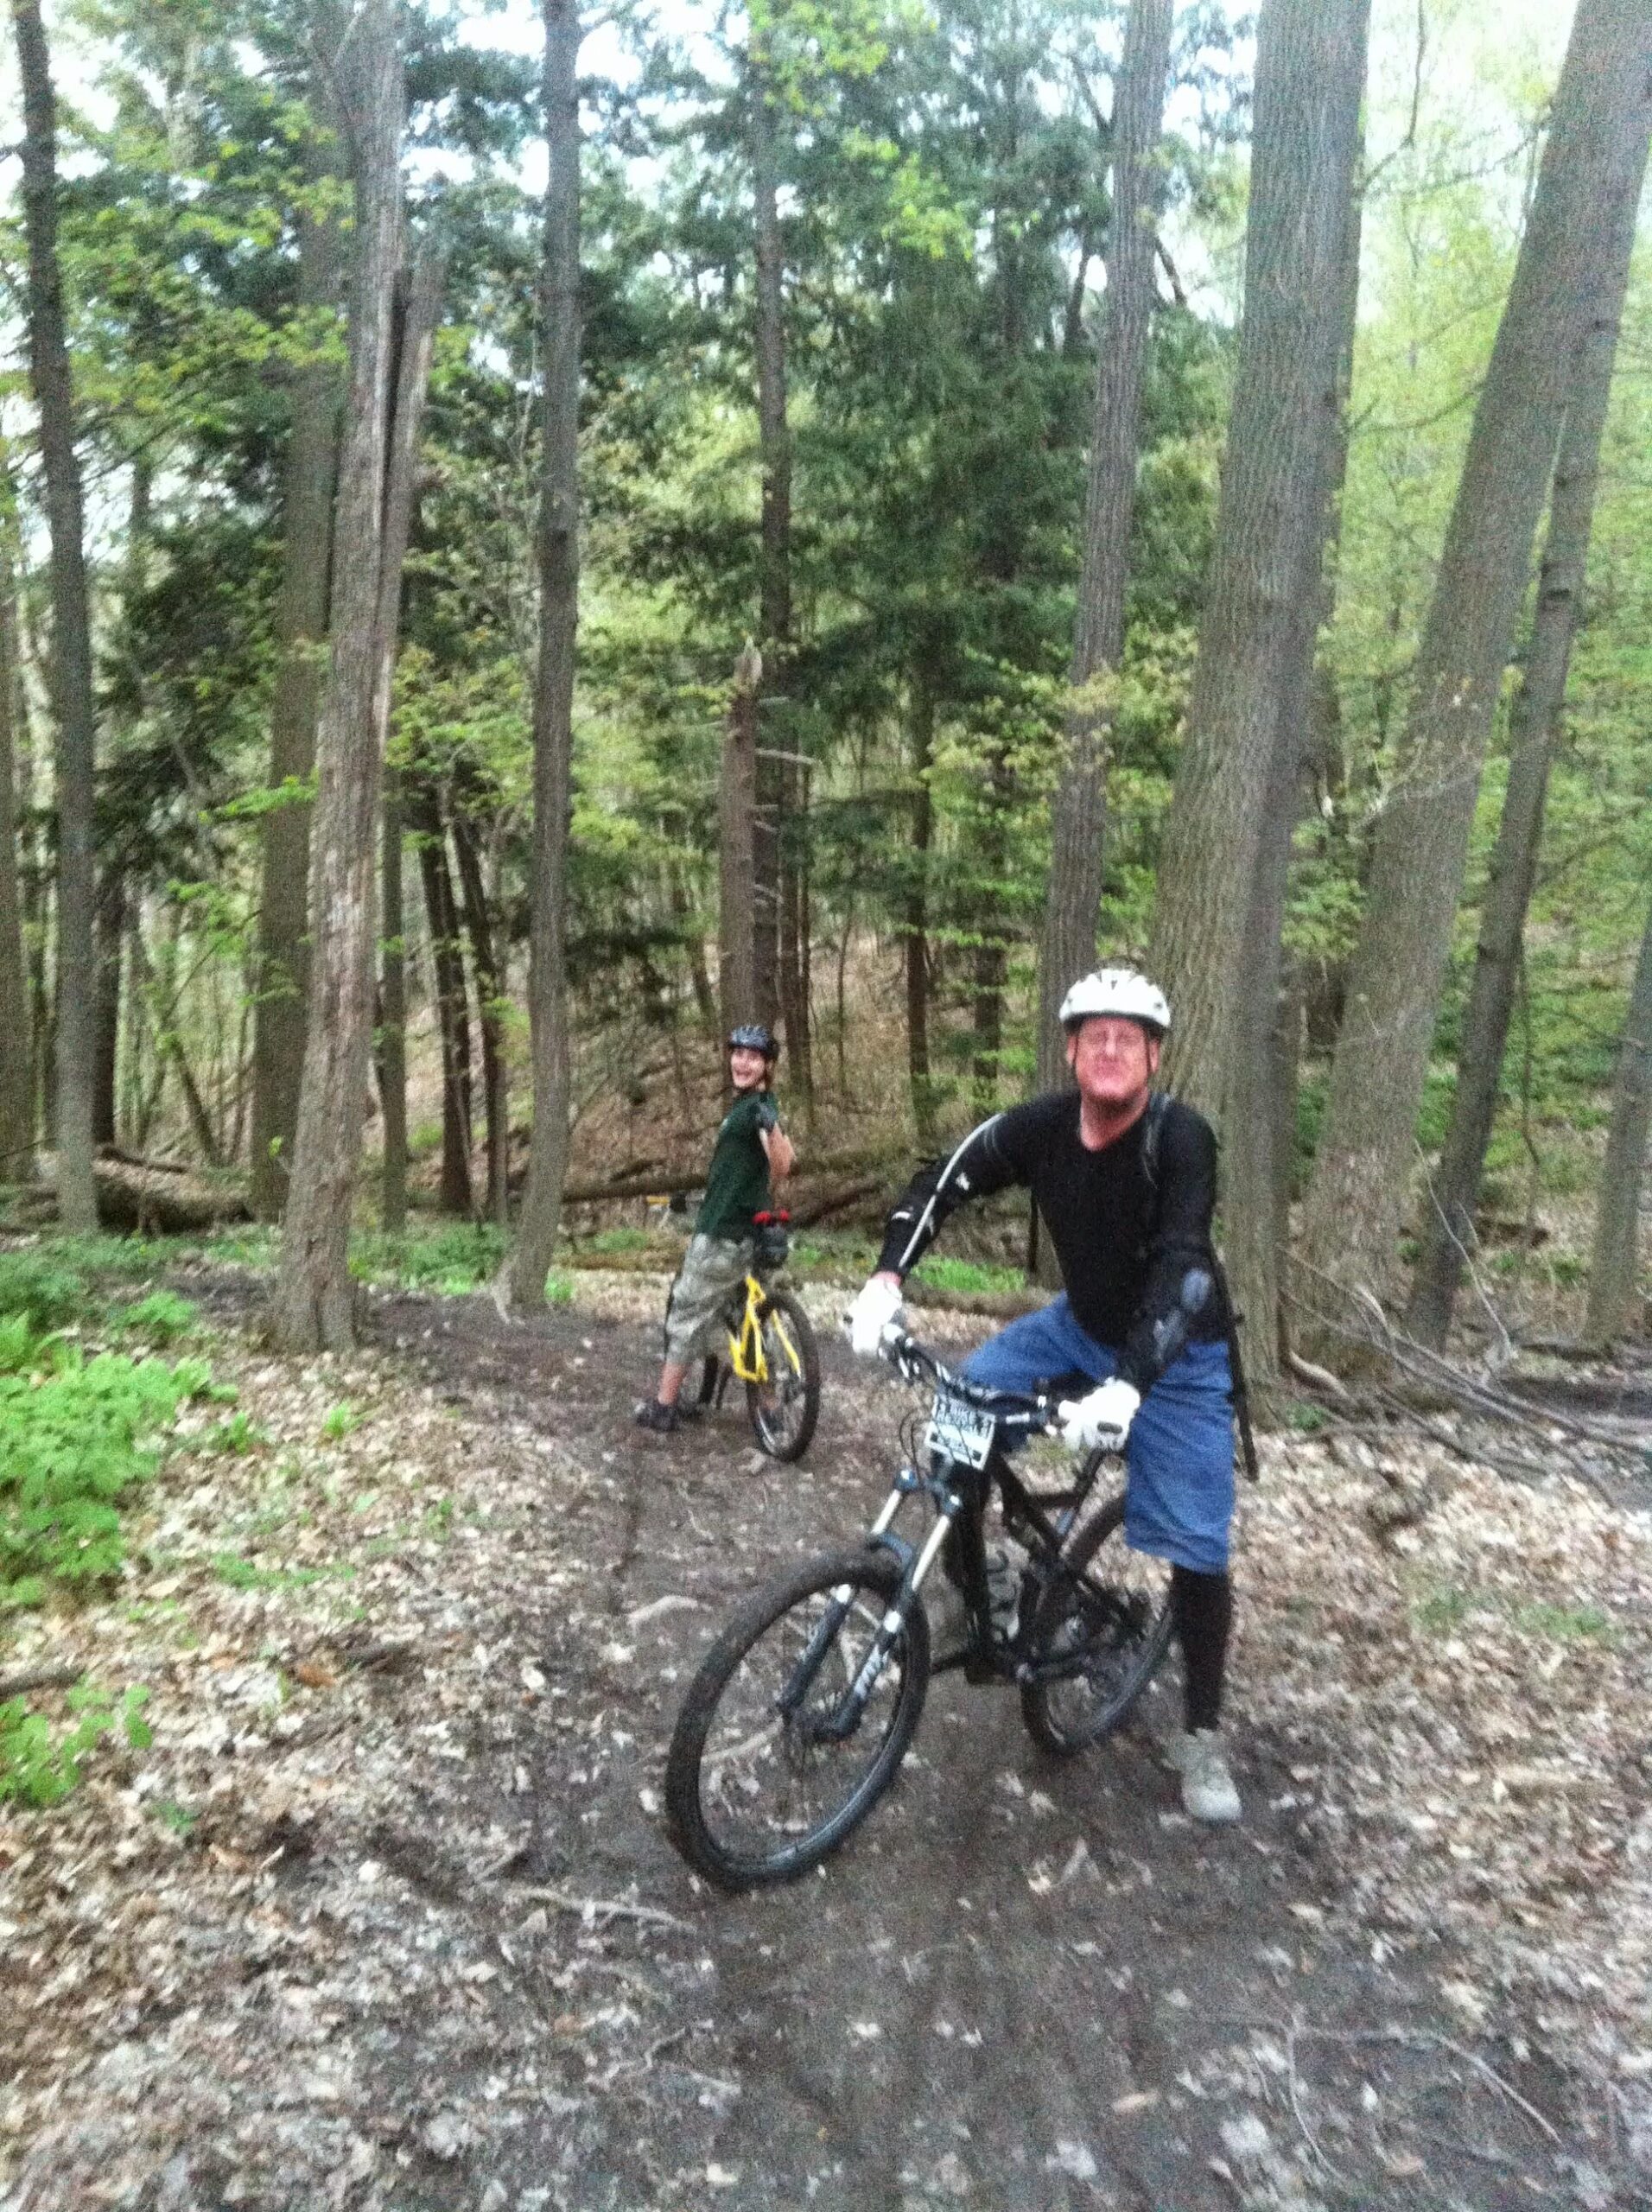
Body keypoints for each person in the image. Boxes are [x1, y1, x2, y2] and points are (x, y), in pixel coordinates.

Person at [844, 968, 1243, 1824]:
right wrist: (885, 1281)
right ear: (1070, 1048)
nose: (1108, 1049)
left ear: (1153, 1057)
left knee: (1200, 1546)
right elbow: (940, 1181)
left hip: (1180, 1356)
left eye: (1127, 1038)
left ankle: (1203, 1731)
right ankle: (966, 1582)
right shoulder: (1037, 1129)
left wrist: (1128, 1385)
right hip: (1076, 1327)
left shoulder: (1181, 1139)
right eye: (1093, 1034)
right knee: (959, 1416)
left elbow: (1182, 1264)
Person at [635, 1024, 796, 1435]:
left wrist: (770, 1130)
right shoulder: (754, 1108)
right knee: (750, 1320)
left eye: (753, 1057)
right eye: (738, 1054)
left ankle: (663, 1407)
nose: (742, 1063)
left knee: (687, 1311)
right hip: (751, 1230)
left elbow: (782, 1164)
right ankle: (772, 1409)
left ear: (767, 1066)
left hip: (723, 1236)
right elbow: (748, 1171)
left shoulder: (757, 1112)